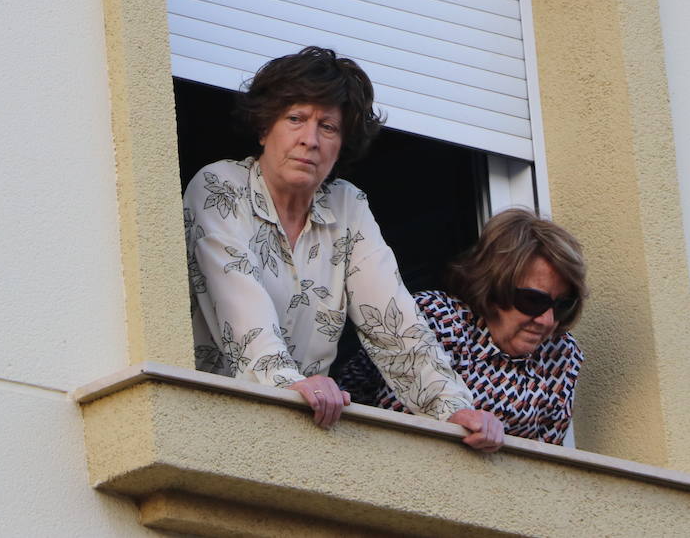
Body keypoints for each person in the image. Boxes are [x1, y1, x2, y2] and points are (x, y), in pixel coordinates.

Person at [184, 46, 505, 451]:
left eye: (328, 127)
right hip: (209, 425)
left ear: (342, 144)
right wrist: (292, 385)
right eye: (296, 119)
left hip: (298, 434)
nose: (310, 140)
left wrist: (452, 409)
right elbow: (241, 307)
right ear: (265, 128)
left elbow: (393, 317)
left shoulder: (346, 206)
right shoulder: (220, 186)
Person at [338, 208, 587, 445]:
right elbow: (403, 430)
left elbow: (544, 464)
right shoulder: (437, 318)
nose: (547, 320)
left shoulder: (560, 354)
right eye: (533, 300)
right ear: (493, 286)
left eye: (562, 305)